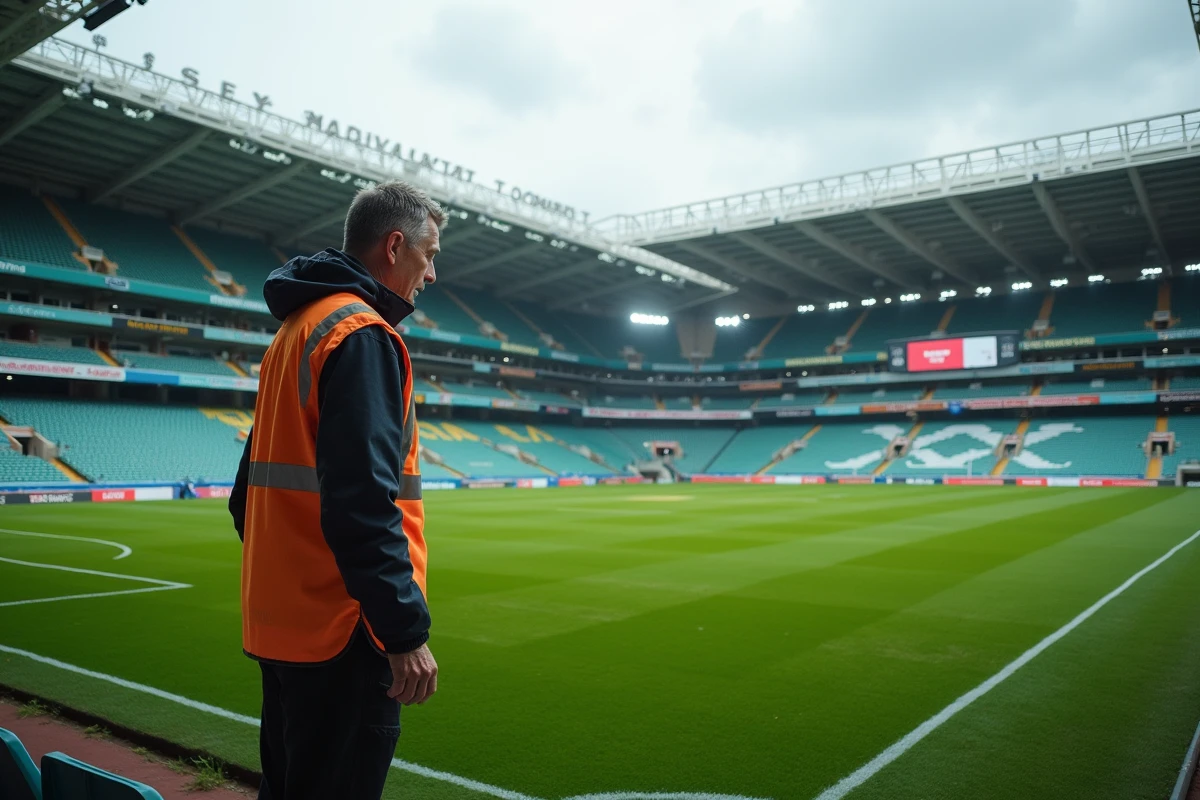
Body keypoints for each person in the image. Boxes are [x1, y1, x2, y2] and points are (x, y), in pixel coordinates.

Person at [228, 180, 443, 800]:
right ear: (395, 246)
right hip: (341, 632)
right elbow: (362, 503)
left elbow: (248, 496)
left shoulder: (296, 330)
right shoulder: (363, 334)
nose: (432, 274)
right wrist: (402, 631)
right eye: (428, 255)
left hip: (283, 624)